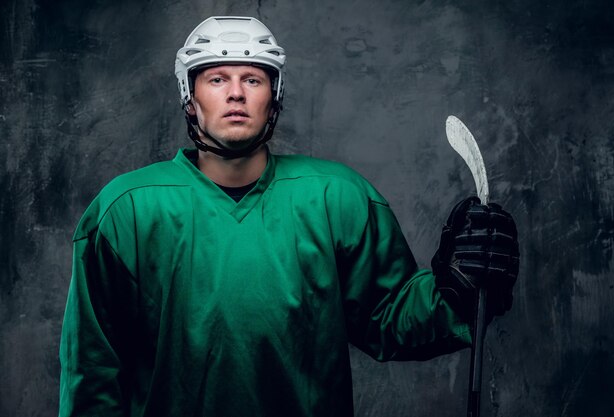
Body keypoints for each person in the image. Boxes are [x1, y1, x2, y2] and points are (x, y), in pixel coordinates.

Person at [59, 16, 519, 417]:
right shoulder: (126, 210)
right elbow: (94, 368)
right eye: (217, 79)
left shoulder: (336, 197)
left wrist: (458, 291)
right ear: (189, 95)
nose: (236, 93)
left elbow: (391, 320)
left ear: (274, 95)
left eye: (253, 79)